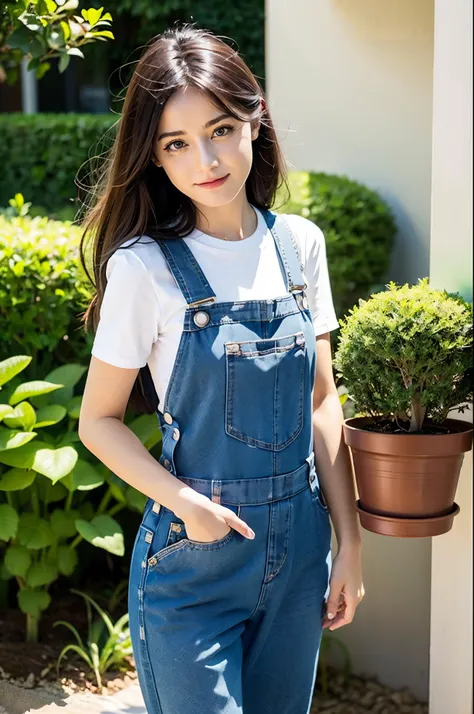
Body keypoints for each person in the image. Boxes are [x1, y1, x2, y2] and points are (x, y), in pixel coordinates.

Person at [78, 23, 364, 714]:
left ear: (254, 119)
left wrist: (349, 543)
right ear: (154, 157)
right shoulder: (143, 267)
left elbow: (323, 403)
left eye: (221, 129)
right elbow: (99, 421)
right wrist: (185, 504)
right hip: (193, 563)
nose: (205, 159)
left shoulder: (300, 247)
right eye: (176, 143)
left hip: (300, 557)